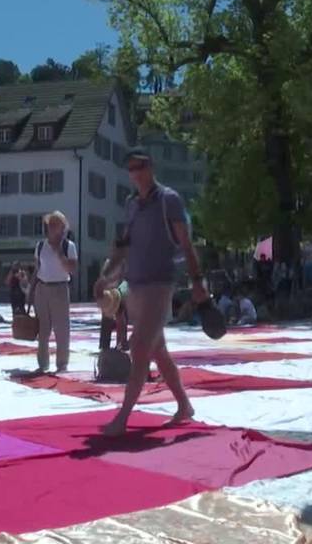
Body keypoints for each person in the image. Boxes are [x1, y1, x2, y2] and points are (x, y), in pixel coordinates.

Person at [96, 147, 208, 437]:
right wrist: (106, 276)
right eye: (131, 168)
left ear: (151, 167)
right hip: (136, 286)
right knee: (158, 351)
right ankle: (184, 405)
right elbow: (123, 246)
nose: (135, 173)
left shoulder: (168, 200)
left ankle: (123, 417)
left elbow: (186, 243)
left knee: (140, 346)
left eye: (140, 166)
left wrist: (197, 281)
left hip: (160, 285)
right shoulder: (131, 205)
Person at [32, 211, 78, 373]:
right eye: (50, 224)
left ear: (63, 228)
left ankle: (62, 364)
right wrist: (30, 291)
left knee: (61, 329)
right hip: (42, 289)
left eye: (55, 225)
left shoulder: (68, 246)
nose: (51, 228)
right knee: (43, 330)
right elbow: (37, 270)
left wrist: (59, 252)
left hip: (60, 288)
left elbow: (71, 269)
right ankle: (42, 364)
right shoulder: (40, 246)